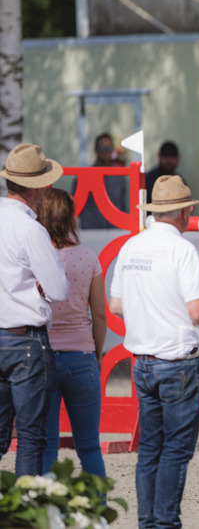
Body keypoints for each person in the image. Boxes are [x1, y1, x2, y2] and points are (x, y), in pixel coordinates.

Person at [109, 175, 199, 529]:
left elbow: (117, 305)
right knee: (176, 451)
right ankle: (165, 523)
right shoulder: (181, 250)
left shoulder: (131, 246)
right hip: (176, 363)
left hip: (142, 362)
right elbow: (198, 311)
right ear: (184, 212)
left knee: (150, 449)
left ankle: (147, 522)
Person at [0, 143, 69, 476]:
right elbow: (58, 290)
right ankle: (25, 520)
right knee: (30, 437)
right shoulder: (31, 230)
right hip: (26, 341)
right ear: (39, 187)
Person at [36, 188, 107, 477]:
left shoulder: (35, 259)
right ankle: (99, 512)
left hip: (43, 358)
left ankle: (46, 510)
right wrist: (97, 353)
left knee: (47, 445)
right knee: (89, 446)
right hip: (81, 356)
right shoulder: (88, 257)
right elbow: (99, 315)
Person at [76, 132, 129, 229]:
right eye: (102, 148)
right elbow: (75, 207)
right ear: (95, 149)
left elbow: (123, 206)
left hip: (114, 231)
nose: (105, 152)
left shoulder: (120, 177)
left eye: (109, 148)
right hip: (91, 232)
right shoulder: (84, 176)